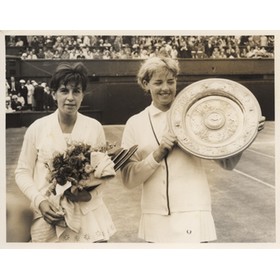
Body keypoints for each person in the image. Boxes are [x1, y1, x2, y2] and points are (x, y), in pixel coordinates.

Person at [120, 56, 265, 243]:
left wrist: (244, 134)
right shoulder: (134, 123)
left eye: (171, 81)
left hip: (194, 212)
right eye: (158, 82)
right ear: (146, 84)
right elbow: (128, 180)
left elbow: (227, 163)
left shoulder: (196, 115)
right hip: (154, 215)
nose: (166, 88)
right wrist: (158, 153)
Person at [15, 62, 116, 243]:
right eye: (64, 91)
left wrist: (90, 194)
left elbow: (105, 173)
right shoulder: (37, 128)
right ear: (54, 93)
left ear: (82, 95)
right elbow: (22, 172)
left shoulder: (94, 127)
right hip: (48, 215)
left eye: (76, 91)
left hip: (88, 215)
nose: (70, 97)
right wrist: (39, 201)